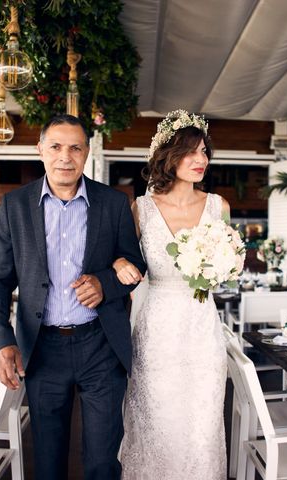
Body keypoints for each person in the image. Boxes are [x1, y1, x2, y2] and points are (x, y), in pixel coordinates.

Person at [0, 114, 146, 480]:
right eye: (55, 146)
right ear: (40, 150)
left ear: (87, 152)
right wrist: (2, 341)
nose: (65, 156)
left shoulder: (113, 203)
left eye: (75, 147)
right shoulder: (15, 205)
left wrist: (106, 283)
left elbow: (135, 265)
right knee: (49, 458)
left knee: (103, 461)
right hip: (42, 349)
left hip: (101, 346)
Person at [113, 110, 231, 478]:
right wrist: (118, 263)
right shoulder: (142, 208)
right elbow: (123, 256)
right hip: (157, 328)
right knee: (158, 417)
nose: (200, 160)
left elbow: (225, 267)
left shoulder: (218, 206)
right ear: (168, 156)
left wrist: (221, 269)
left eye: (204, 152)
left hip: (202, 327)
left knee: (202, 421)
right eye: (190, 152)